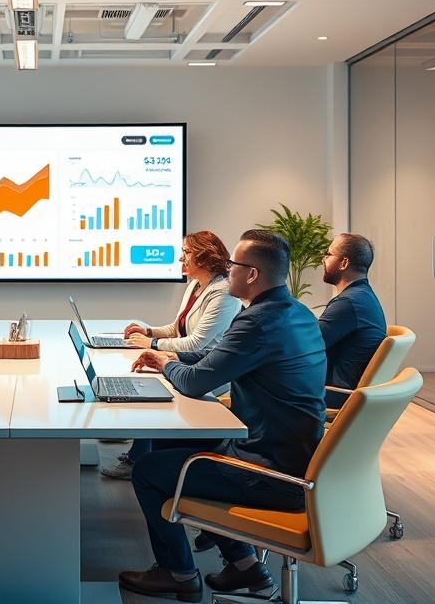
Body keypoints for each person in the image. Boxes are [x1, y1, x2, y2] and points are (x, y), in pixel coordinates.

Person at [119, 230, 326, 602]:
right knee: (173, 441)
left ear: (251, 275)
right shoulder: (293, 312)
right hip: (290, 458)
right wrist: (170, 360)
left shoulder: (257, 324)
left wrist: (166, 362)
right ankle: (246, 567)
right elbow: (214, 362)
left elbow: (197, 383)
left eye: (232, 265)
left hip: (268, 472)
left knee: (148, 471)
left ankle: (178, 574)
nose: (226, 270)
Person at [100, 231, 242, 480]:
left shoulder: (223, 293)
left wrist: (152, 343)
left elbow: (197, 342)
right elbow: (178, 328)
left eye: (186, 253)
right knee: (148, 381)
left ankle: (138, 460)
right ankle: (138, 455)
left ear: (205, 255)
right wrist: (148, 330)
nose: (181, 259)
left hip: (207, 368)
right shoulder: (196, 286)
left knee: (154, 389)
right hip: (188, 359)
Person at [320, 233, 387, 392]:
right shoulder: (363, 296)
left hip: (335, 392)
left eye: (328, 254)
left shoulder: (349, 303)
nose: (323, 259)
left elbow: (305, 344)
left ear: (343, 263)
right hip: (342, 388)